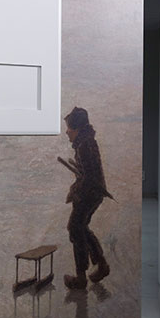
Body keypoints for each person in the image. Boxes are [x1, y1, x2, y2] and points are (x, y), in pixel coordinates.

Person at [61, 106, 112, 290]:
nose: (67, 132)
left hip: (89, 194)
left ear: (77, 129)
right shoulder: (85, 142)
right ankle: (102, 265)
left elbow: (89, 178)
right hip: (92, 193)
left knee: (75, 228)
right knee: (80, 227)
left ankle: (81, 277)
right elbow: (87, 174)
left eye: (69, 128)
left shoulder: (85, 145)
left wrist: (75, 191)